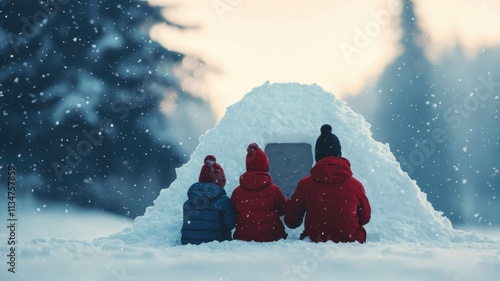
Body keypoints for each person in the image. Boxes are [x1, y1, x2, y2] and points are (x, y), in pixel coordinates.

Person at [284, 124, 371, 243]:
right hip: (351, 243)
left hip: (315, 242)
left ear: (317, 155)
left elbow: (291, 222)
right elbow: (364, 219)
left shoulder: (306, 184)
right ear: (339, 153)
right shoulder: (355, 185)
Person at [231, 143, 288, 242]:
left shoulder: (237, 192)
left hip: (244, 238)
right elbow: (283, 209)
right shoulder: (274, 190)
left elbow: (233, 214)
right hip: (273, 237)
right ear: (265, 165)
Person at [181, 155, 236, 245]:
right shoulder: (224, 202)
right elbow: (230, 225)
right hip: (215, 247)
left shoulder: (189, 202)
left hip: (189, 248)